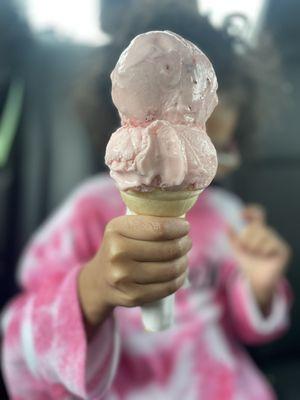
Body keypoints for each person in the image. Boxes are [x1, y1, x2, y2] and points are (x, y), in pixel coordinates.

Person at [1, 2, 292, 399]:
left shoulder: (228, 217)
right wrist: (92, 289)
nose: (187, 166)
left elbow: (246, 328)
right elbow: (17, 340)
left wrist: (259, 286)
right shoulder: (86, 214)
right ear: (126, 125)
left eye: (218, 148)